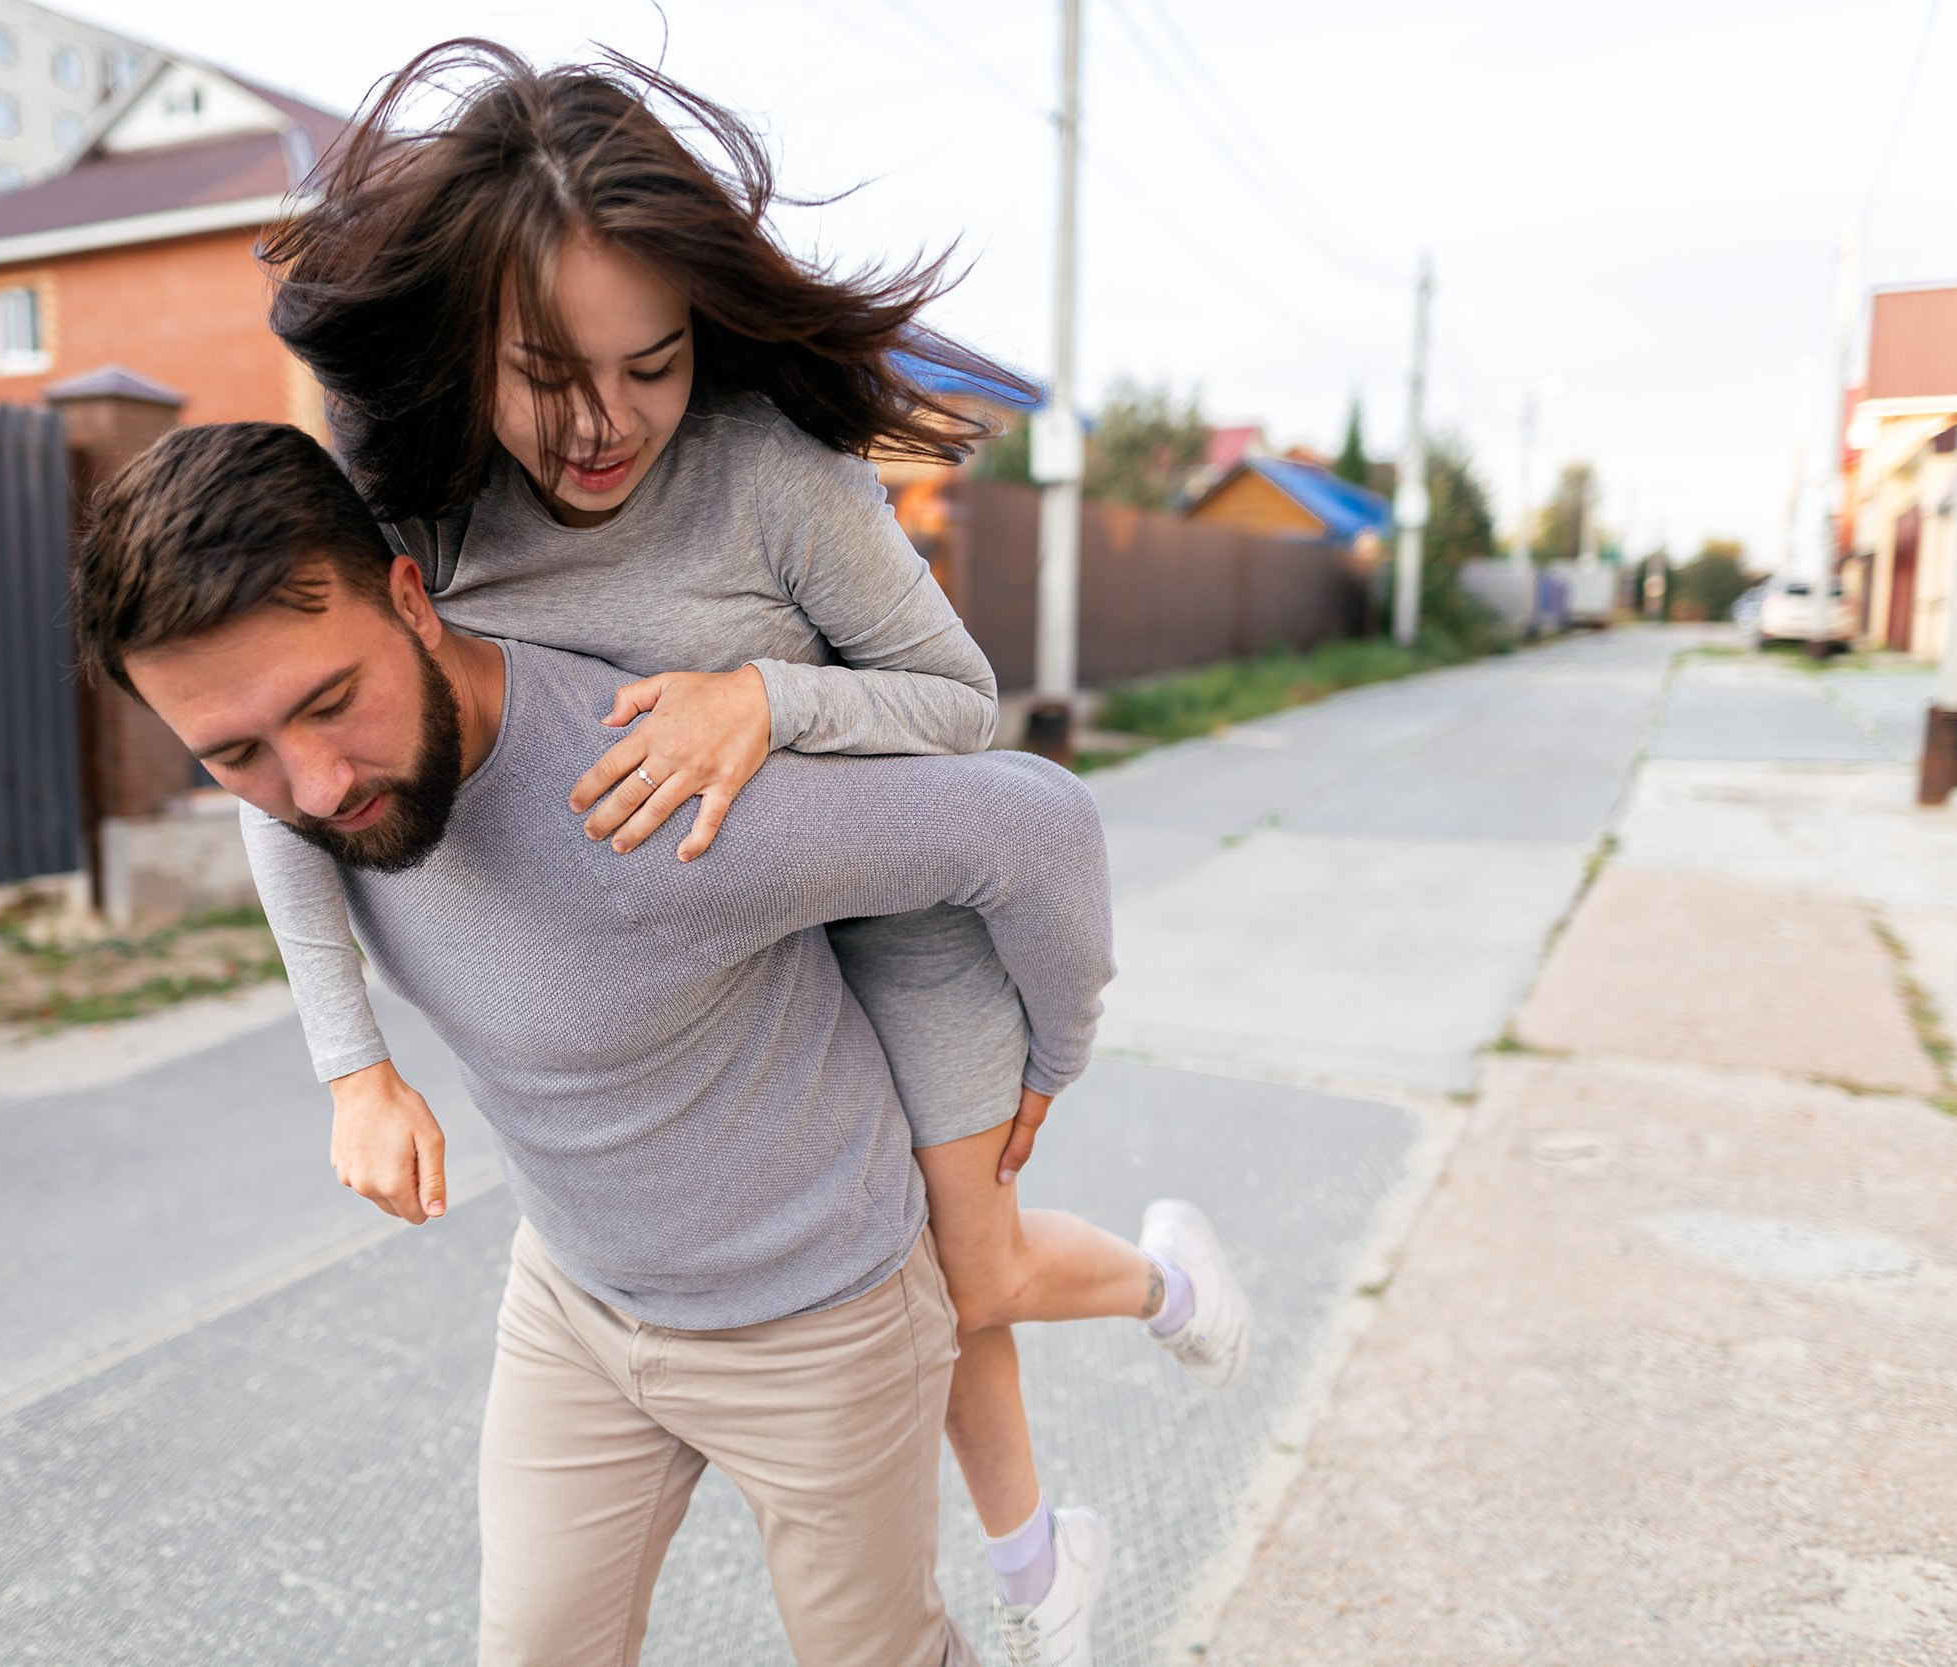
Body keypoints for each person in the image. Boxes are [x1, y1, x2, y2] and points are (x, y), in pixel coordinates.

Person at [240, 42, 1257, 1663]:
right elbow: (280, 741)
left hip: (884, 906)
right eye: (545, 374)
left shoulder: (774, 479)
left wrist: (762, 701)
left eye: (650, 364)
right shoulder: (423, 503)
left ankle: (1161, 1305)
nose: (602, 426)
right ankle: (1043, 1556)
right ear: (465, 345)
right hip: (695, 965)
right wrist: (351, 1062)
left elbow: (958, 708)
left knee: (969, 1267)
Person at [76, 419, 1118, 1665]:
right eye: (236, 752)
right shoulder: (319, 779)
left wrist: (1054, 1055)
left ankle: (1142, 1323)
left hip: (817, 1323)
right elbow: (283, 813)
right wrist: (352, 1067)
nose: (313, 788)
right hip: (575, 1305)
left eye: (329, 703)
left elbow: (1036, 826)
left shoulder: (650, 803)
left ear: (409, 600)